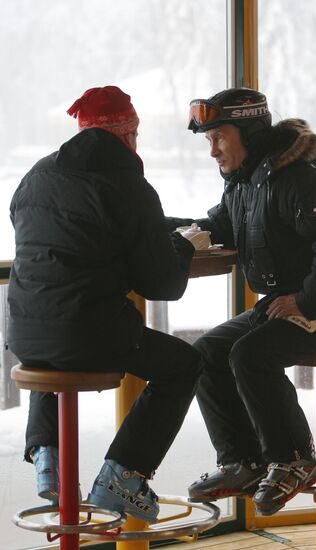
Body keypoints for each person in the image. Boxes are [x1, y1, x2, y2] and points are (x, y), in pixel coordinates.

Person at [166, 87, 316, 516]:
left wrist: (308, 300)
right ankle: (244, 460)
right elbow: (215, 226)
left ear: (249, 131)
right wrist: (149, 227)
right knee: (207, 352)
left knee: (250, 355)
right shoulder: (246, 184)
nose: (213, 151)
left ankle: (295, 457)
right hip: (283, 307)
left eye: (218, 138)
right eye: (208, 141)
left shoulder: (297, 179)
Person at [7, 85, 202, 523]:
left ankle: (47, 457)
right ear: (126, 134)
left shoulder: (36, 175)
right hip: (90, 331)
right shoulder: (129, 184)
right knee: (183, 365)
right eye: (135, 134)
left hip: (21, 330)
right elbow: (162, 283)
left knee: (53, 340)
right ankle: (124, 475)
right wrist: (182, 247)